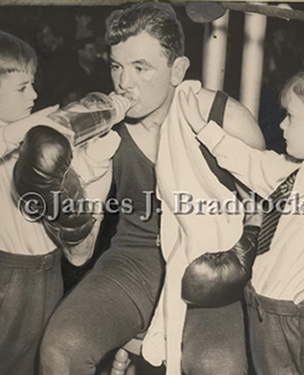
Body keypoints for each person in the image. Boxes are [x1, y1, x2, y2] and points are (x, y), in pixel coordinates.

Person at [39, 3, 265, 375]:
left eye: (140, 67)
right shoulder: (103, 130)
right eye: (116, 66)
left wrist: (239, 268)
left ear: (177, 70)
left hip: (208, 261)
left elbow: (267, 214)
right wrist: (64, 203)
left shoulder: (225, 120)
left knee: (216, 365)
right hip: (135, 256)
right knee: (60, 350)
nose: (124, 83)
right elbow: (79, 254)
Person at [179, 62, 304, 375]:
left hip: (294, 317)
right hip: (262, 307)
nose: (281, 126)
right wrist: (204, 128)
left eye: (291, 117)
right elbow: (251, 163)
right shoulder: (295, 173)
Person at [0, 28, 98, 375]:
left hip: (49, 266)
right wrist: (23, 129)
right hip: (14, 273)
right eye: (23, 88)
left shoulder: (30, 139)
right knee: (4, 362)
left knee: (43, 357)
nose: (35, 94)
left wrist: (92, 159)